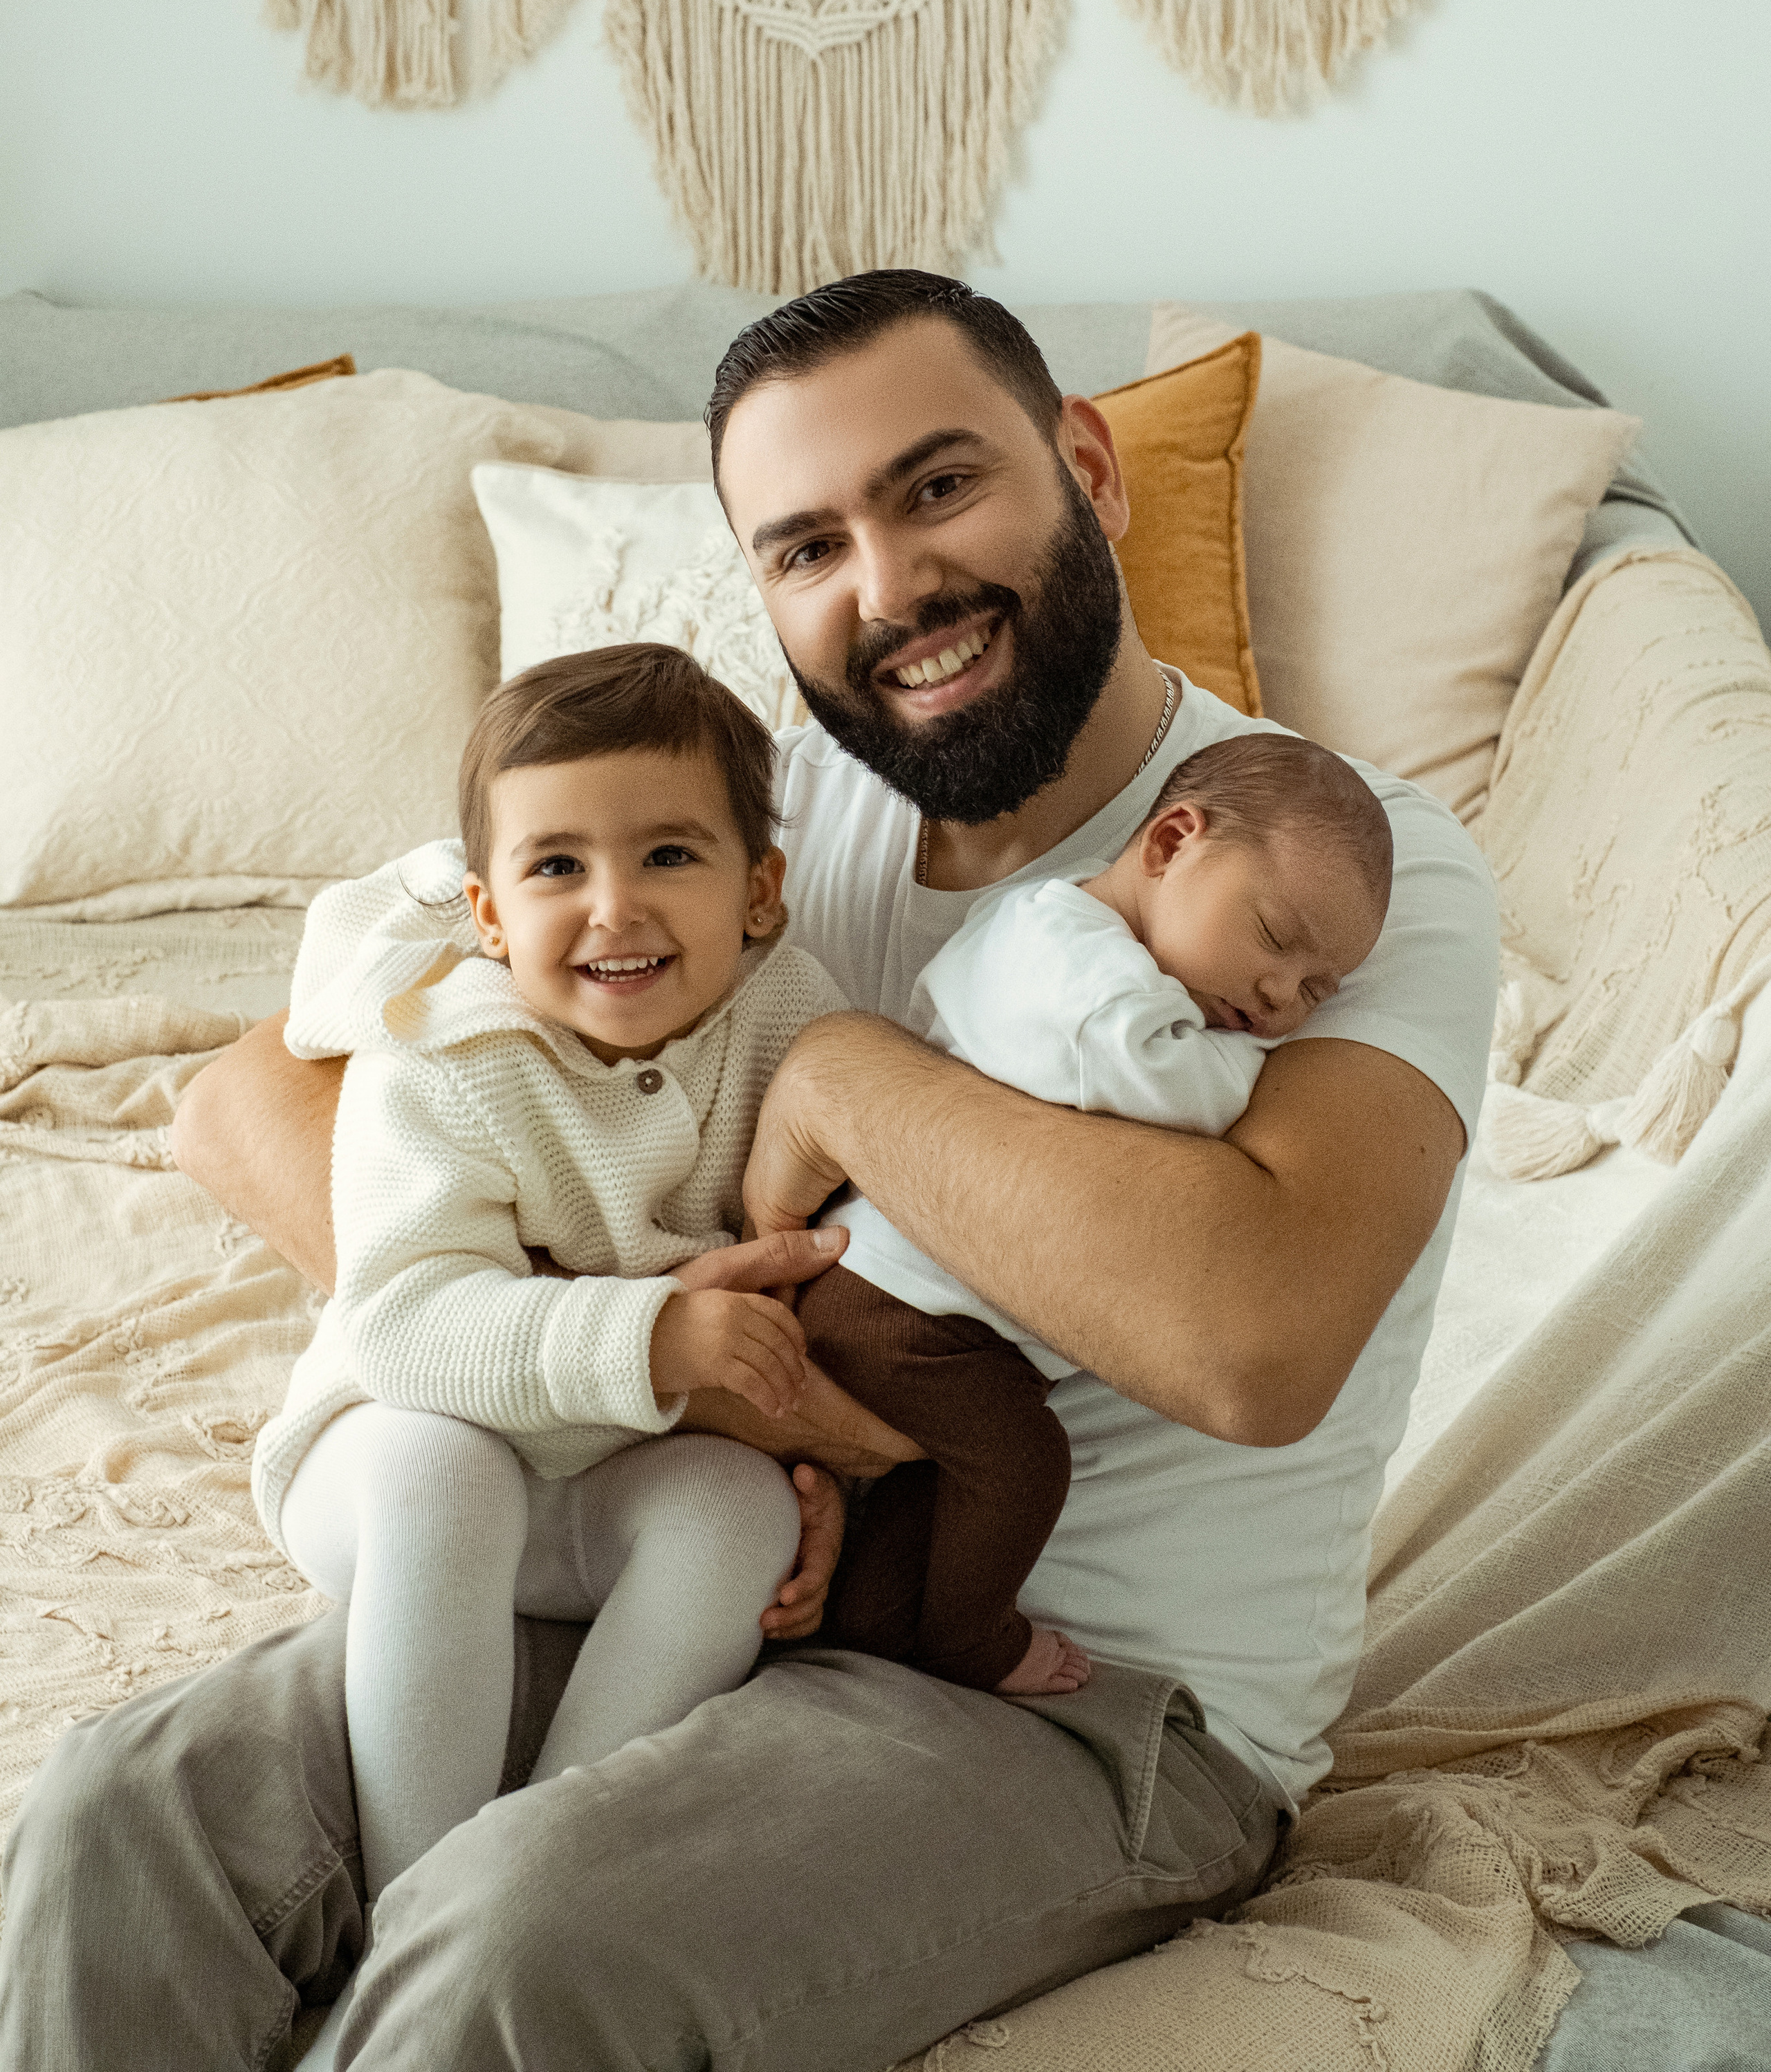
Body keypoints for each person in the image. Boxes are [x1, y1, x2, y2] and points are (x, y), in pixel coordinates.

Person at [0, 270, 1498, 2072]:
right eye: (805, 547)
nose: (888, 589)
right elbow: (253, 1097)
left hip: (1084, 1697)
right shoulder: (761, 818)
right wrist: (627, 1351)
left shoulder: (1333, 868)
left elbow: (1257, 1339)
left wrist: (853, 1082)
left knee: (511, 1945)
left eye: (942, 489)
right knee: (114, 1825)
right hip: (687, 1558)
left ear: (1088, 468)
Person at [257, 642, 851, 1903]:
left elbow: (851, 1276)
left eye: (669, 856)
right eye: (558, 867)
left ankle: (532, 1878)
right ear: (489, 914)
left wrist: (825, 1476)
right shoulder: (439, 1052)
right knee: (444, 1468)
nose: (615, 907)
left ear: (760, 890)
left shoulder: (795, 1021)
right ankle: (411, 1908)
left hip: (596, 1495)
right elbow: (405, 1323)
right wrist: (649, 1340)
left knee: (736, 1512)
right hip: (384, 1460)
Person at [803, 730, 1394, 1700]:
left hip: (926, 1314)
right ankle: (972, 1646)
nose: (1283, 994)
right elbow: (1150, 1076)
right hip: (897, 1303)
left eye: (1319, 989)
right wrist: (1279, 1081)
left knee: (935, 1494)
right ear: (1171, 844)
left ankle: (868, 1634)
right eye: (1277, 939)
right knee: (1024, 1463)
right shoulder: (1070, 950)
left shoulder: (1088, 948)